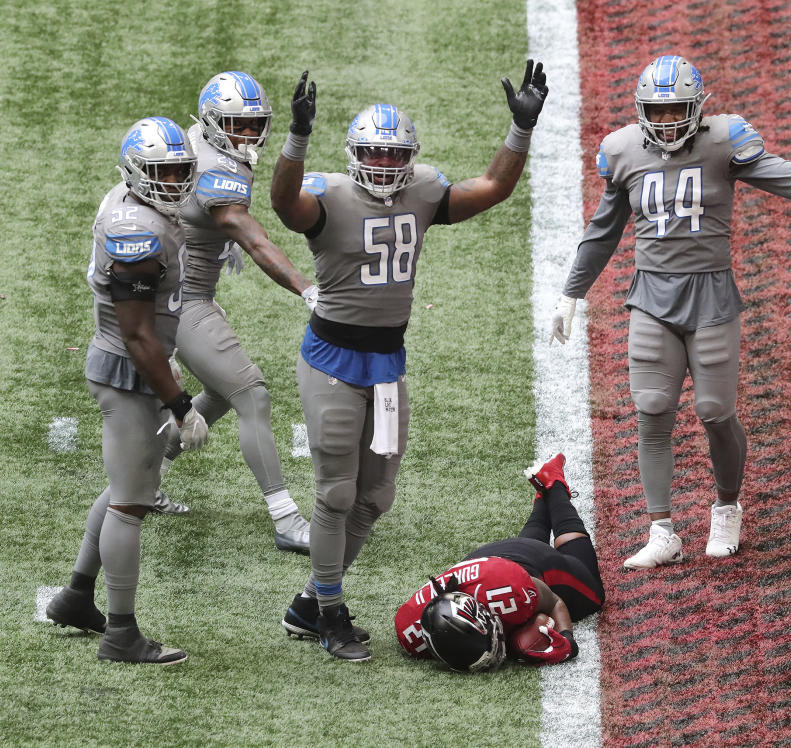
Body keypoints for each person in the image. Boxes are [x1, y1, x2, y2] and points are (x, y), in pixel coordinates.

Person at [549, 54, 791, 570]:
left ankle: (726, 507)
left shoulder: (724, 142)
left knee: (714, 413)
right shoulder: (623, 151)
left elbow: (785, 175)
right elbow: (603, 229)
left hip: (712, 298)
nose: (664, 121)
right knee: (652, 409)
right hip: (651, 299)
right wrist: (573, 292)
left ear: (697, 108)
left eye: (674, 109)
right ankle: (662, 530)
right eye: (654, 112)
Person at [272, 60, 549, 661]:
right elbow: (283, 202)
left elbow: (492, 189)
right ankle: (328, 610)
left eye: (397, 155)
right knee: (336, 494)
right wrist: (295, 139)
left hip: (388, 364)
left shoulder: (423, 189)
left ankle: (308, 601)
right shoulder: (328, 196)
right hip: (332, 360)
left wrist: (519, 130)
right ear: (352, 154)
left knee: (376, 497)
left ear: (412, 157)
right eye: (374, 153)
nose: (386, 165)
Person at [47, 117, 210, 664]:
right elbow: (139, 336)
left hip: (130, 360)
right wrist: (179, 402)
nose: (172, 182)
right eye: (161, 171)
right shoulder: (138, 231)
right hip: (126, 367)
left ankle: (75, 596)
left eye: (179, 170)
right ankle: (121, 634)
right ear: (138, 172)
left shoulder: (132, 202)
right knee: (129, 505)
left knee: (125, 486)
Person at [154, 71, 316, 555]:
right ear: (211, 122)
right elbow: (252, 236)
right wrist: (306, 288)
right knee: (251, 393)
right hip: (179, 300)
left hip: (182, 292)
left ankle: (148, 479)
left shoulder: (201, 146)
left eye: (253, 123)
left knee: (222, 394)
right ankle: (286, 518)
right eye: (236, 124)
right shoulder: (213, 169)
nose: (247, 134)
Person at [393, 453, 605, 671]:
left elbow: (553, 602)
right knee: (523, 617)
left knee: (592, 594)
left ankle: (554, 484)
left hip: (518, 566)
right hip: (488, 560)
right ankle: (543, 495)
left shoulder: (510, 591)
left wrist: (567, 640)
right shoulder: (411, 634)